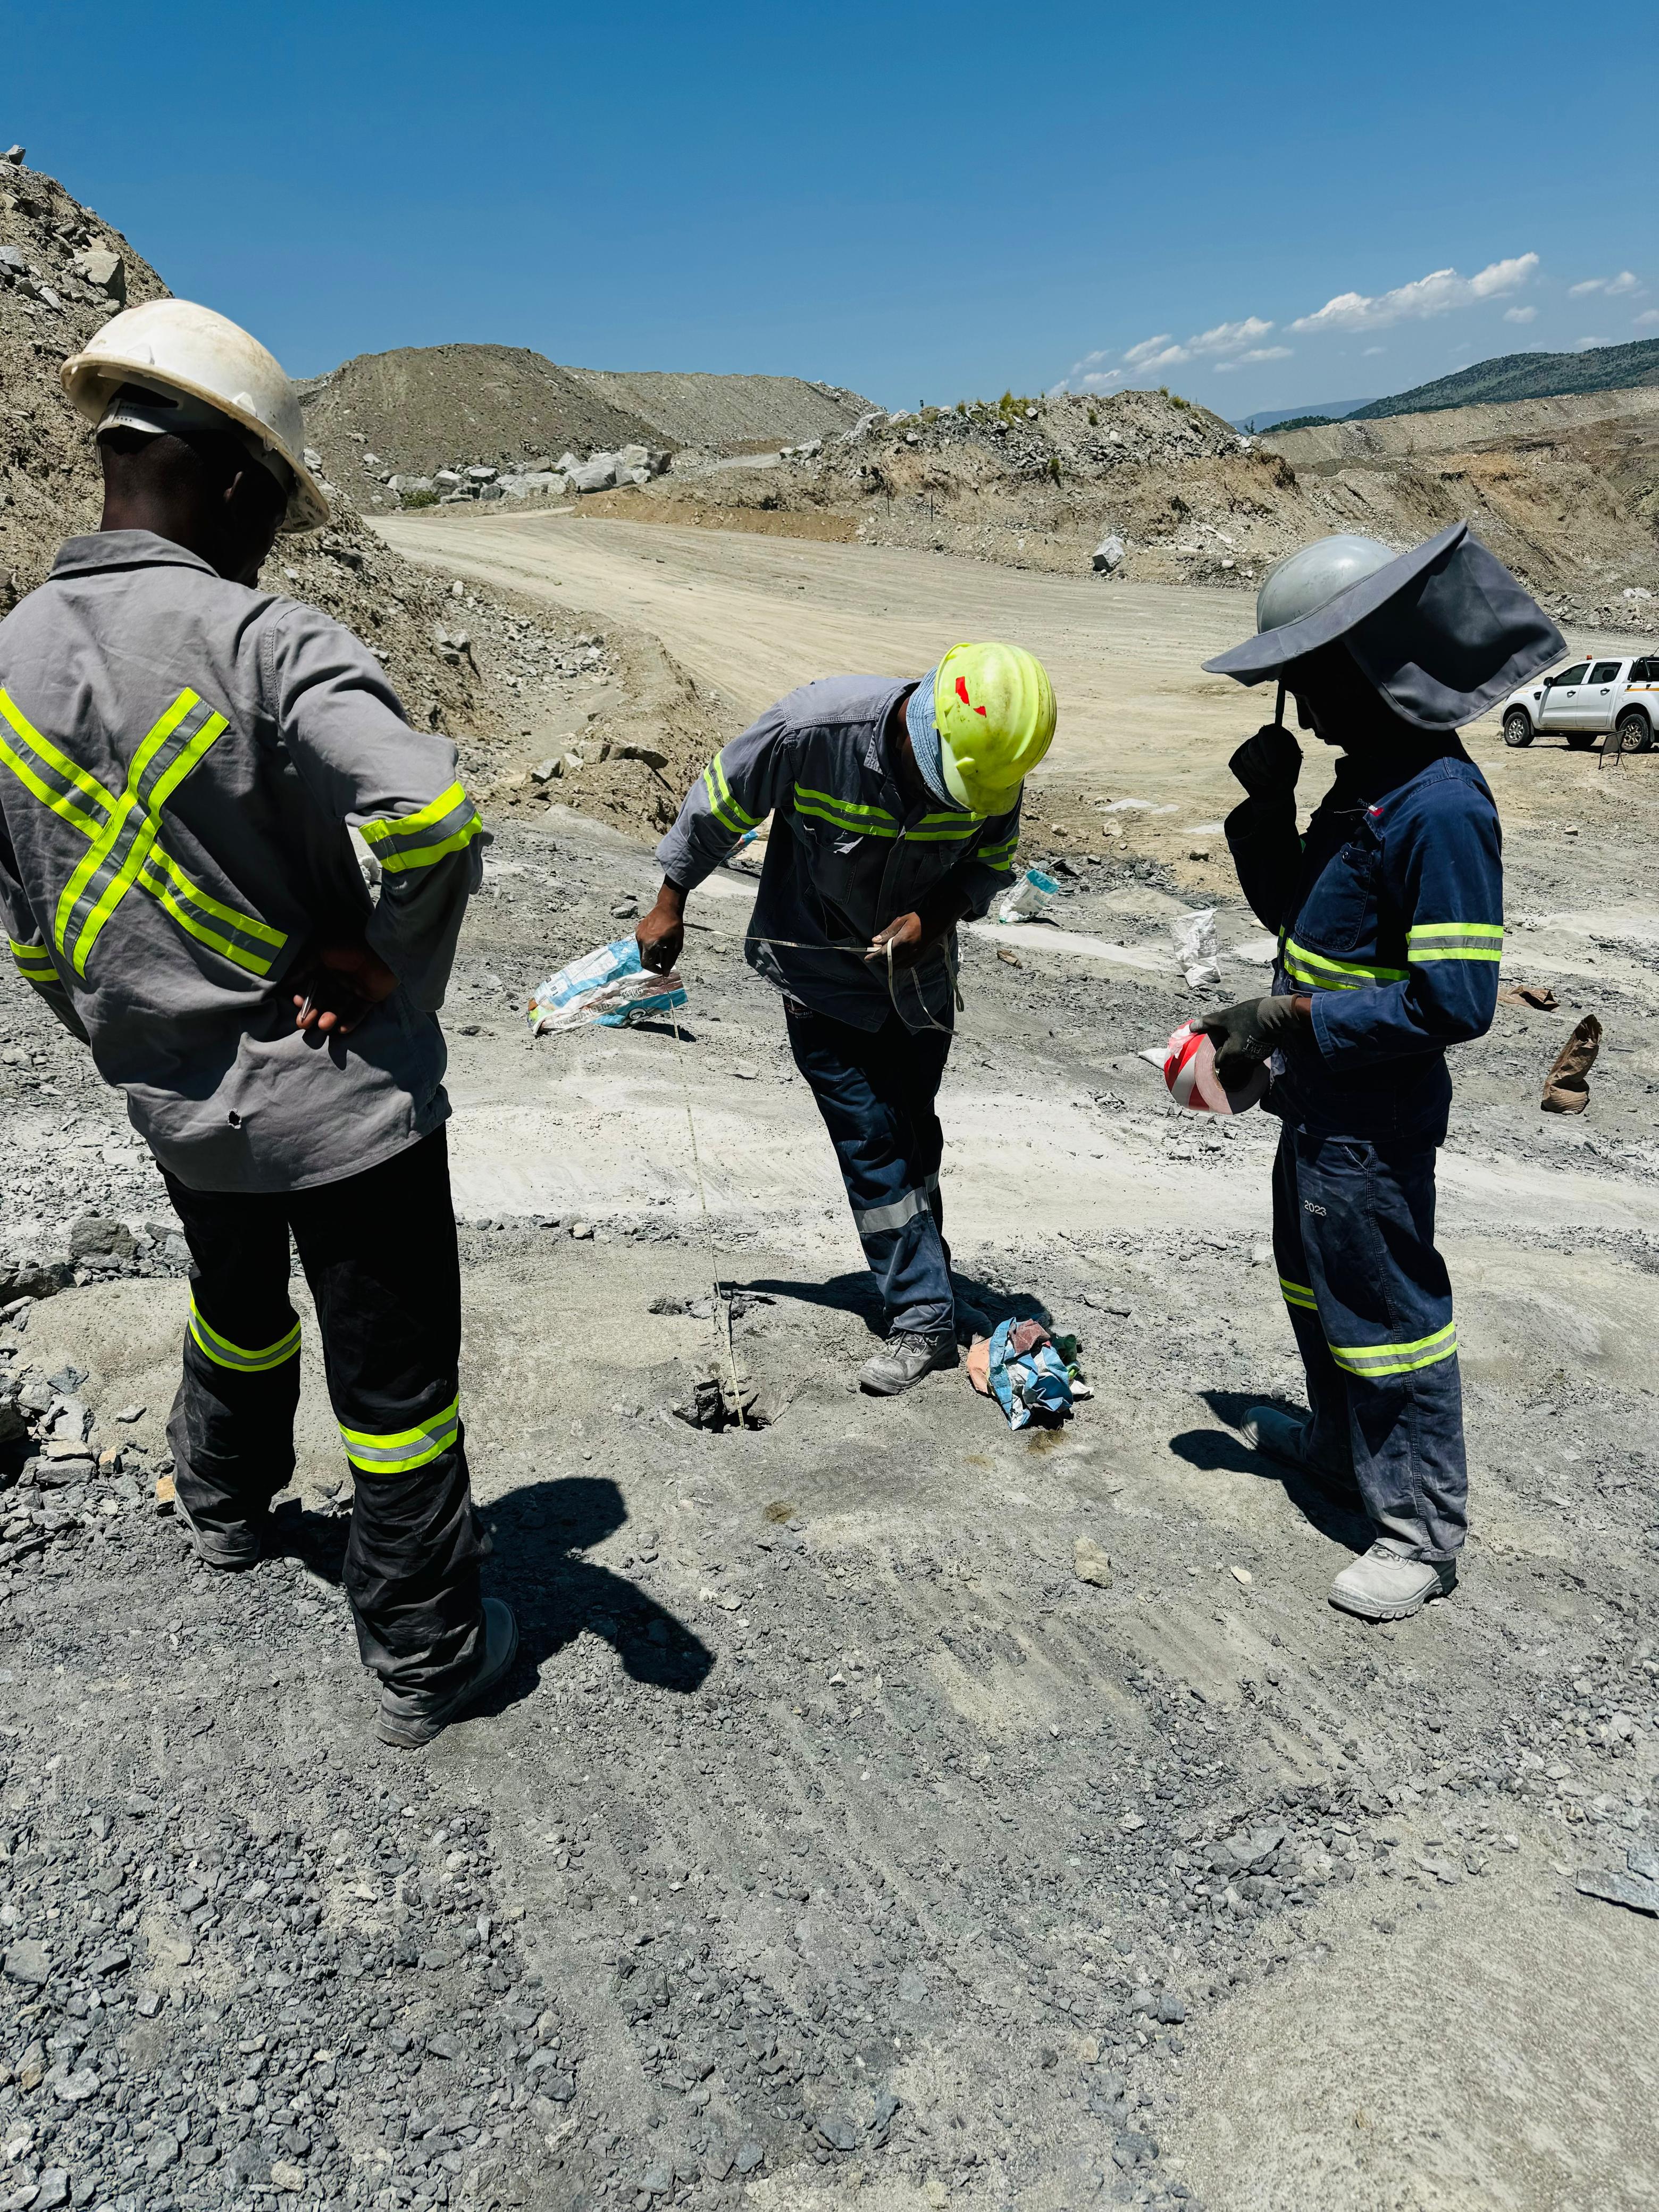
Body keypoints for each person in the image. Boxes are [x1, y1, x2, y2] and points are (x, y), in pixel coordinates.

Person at [0, 297, 516, 1745]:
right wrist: (386, 965)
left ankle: (224, 1506)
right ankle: (424, 1656)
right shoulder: (266, 640)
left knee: (233, 1312)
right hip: (343, 1107)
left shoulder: (8, 663)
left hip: (176, 1107)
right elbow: (428, 817)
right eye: (274, 507)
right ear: (234, 481)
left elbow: (33, 931)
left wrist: (129, 1032)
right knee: (398, 1385)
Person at [1196, 525, 1563, 1621]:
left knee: (1391, 1315)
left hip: (1373, 1121)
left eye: (1311, 685)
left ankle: (1418, 1530)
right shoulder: (1361, 787)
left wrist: (1292, 1014)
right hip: (1315, 1104)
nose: (1301, 712)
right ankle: (1341, 1449)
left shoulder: (1440, 809)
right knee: (1315, 1287)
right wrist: (1267, 808)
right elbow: (1296, 919)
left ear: (1372, 672)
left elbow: (1456, 1003)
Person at [637, 645, 1055, 1393]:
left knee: (912, 1130)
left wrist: (933, 918)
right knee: (871, 1141)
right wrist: (671, 902)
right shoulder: (812, 730)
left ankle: (929, 1275)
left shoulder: (993, 767)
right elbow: (717, 807)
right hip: (820, 979)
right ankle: (923, 1316)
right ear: (921, 728)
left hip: (917, 983)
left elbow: (990, 863)